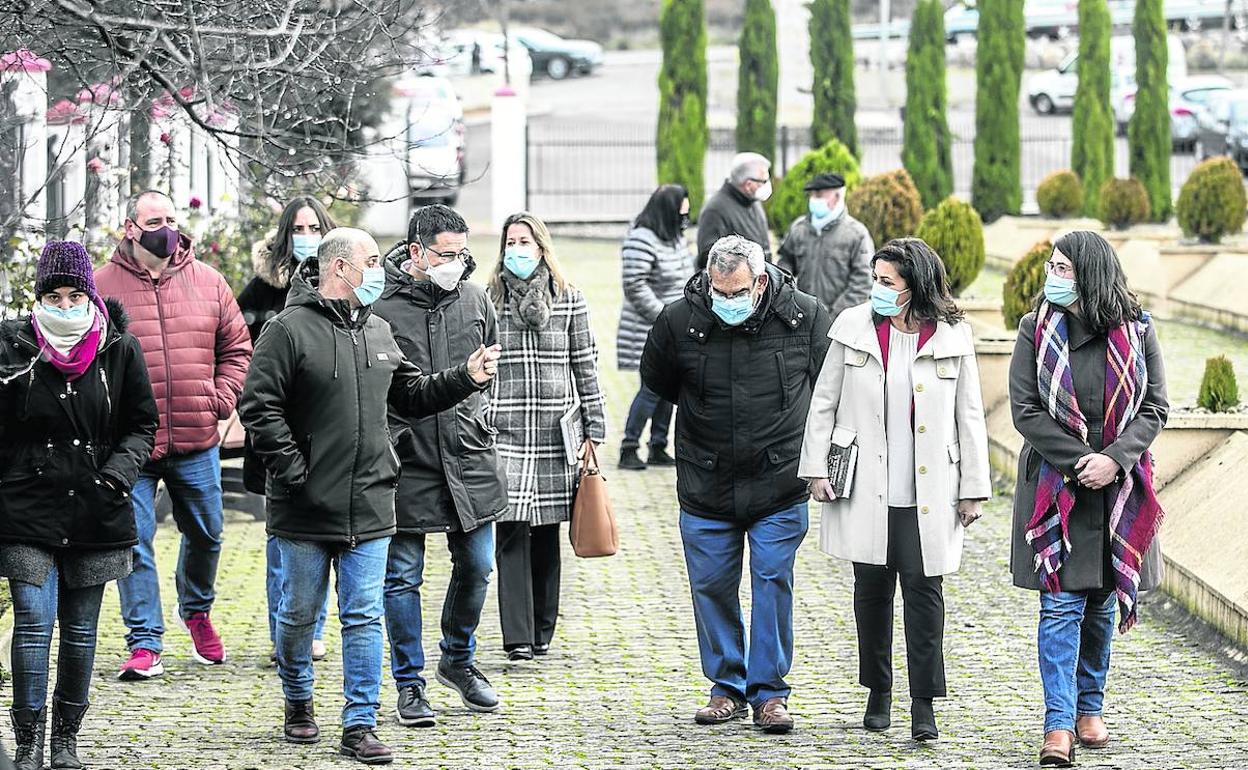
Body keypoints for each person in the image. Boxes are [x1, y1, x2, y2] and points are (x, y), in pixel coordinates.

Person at [240, 227, 500, 764]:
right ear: (340, 268)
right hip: (306, 509)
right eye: (374, 261)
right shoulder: (288, 331)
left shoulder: (379, 330)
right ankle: (298, 701)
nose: (383, 269)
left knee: (362, 616)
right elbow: (258, 408)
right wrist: (295, 474)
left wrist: (465, 377)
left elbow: (411, 391)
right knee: (298, 614)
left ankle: (359, 722)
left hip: (374, 501)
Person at [798, 237, 991, 742]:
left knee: (926, 597)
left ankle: (923, 704)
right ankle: (878, 691)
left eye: (888, 282)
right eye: (875, 279)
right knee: (871, 593)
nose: (877, 289)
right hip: (866, 486)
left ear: (916, 286)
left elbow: (969, 415)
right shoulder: (853, 327)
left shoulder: (953, 336)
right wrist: (816, 468)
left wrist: (974, 486)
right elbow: (824, 402)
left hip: (930, 490)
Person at [640, 234, 831, 735]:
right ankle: (726, 685)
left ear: (760, 281)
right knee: (712, 587)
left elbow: (831, 390)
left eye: (737, 291)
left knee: (771, 582)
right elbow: (656, 385)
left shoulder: (805, 317)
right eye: (718, 291)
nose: (726, 301)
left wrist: (827, 463)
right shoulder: (678, 321)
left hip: (779, 480)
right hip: (706, 480)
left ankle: (769, 692)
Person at [1008, 231, 1168, 767]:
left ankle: (1089, 707)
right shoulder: (1035, 329)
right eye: (1051, 267)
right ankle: (1058, 725)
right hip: (1059, 487)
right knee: (1059, 604)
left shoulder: (1138, 331)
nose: (1050, 276)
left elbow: (1155, 407)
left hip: (1118, 487)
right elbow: (1025, 409)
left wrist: (1115, 459)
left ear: (1090, 274)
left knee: (1100, 604)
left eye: (1062, 268)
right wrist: (1080, 461)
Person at [0, 241, 158, 770]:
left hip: (96, 507)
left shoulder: (119, 348)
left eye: (74, 295)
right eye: (53, 296)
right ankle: (27, 745)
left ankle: (65, 741)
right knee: (32, 621)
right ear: (38, 296)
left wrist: (117, 475)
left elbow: (141, 424)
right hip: (28, 509)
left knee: (82, 630)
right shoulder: (14, 349)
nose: (64, 307)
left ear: (90, 295)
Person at [94, 190, 252, 679]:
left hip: (195, 435)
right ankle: (144, 642)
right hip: (130, 445)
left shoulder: (208, 281)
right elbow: (87, 359)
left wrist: (220, 400)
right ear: (129, 228)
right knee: (133, 540)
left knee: (207, 533)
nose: (165, 228)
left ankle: (197, 609)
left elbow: (237, 348)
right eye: (153, 220)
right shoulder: (101, 286)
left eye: (169, 218)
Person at [373, 204, 508, 726]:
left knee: (477, 565)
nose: (457, 263)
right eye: (446, 255)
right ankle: (410, 684)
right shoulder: (381, 305)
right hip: (408, 460)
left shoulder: (475, 300)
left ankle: (459, 657)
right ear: (416, 252)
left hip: (468, 455)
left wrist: (481, 409)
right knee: (402, 577)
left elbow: (490, 368)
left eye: (462, 253)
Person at [487, 212, 606, 661]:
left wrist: (593, 430)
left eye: (525, 241)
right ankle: (517, 636)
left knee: (546, 533)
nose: (516, 249)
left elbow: (586, 366)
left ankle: (541, 631)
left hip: (555, 432)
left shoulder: (569, 300)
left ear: (541, 246)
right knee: (511, 528)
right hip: (505, 429)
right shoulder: (488, 300)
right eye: (510, 241)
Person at [237, 195, 337, 664]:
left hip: (325, 430)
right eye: (297, 230)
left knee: (321, 539)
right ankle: (284, 632)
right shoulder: (259, 292)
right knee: (281, 542)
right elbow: (237, 349)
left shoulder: (340, 287)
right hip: (276, 434)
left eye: (314, 229)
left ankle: (313, 628)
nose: (306, 238)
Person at [615, 184, 695, 471]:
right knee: (650, 389)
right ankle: (629, 446)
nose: (685, 219)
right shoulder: (641, 239)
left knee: (669, 388)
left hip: (674, 329)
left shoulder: (674, 237)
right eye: (681, 213)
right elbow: (635, 286)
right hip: (647, 329)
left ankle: (658, 445)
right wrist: (665, 317)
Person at [776, 172, 874, 320]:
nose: (814, 200)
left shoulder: (856, 233)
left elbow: (863, 282)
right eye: (812, 195)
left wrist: (833, 314)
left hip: (839, 321)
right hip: (801, 317)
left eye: (820, 195)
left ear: (837, 197)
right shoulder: (799, 228)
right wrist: (788, 295)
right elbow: (785, 262)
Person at [695, 152, 773, 270]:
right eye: (764, 181)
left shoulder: (752, 201)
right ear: (748, 184)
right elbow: (708, 258)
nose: (767, 185)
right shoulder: (715, 210)